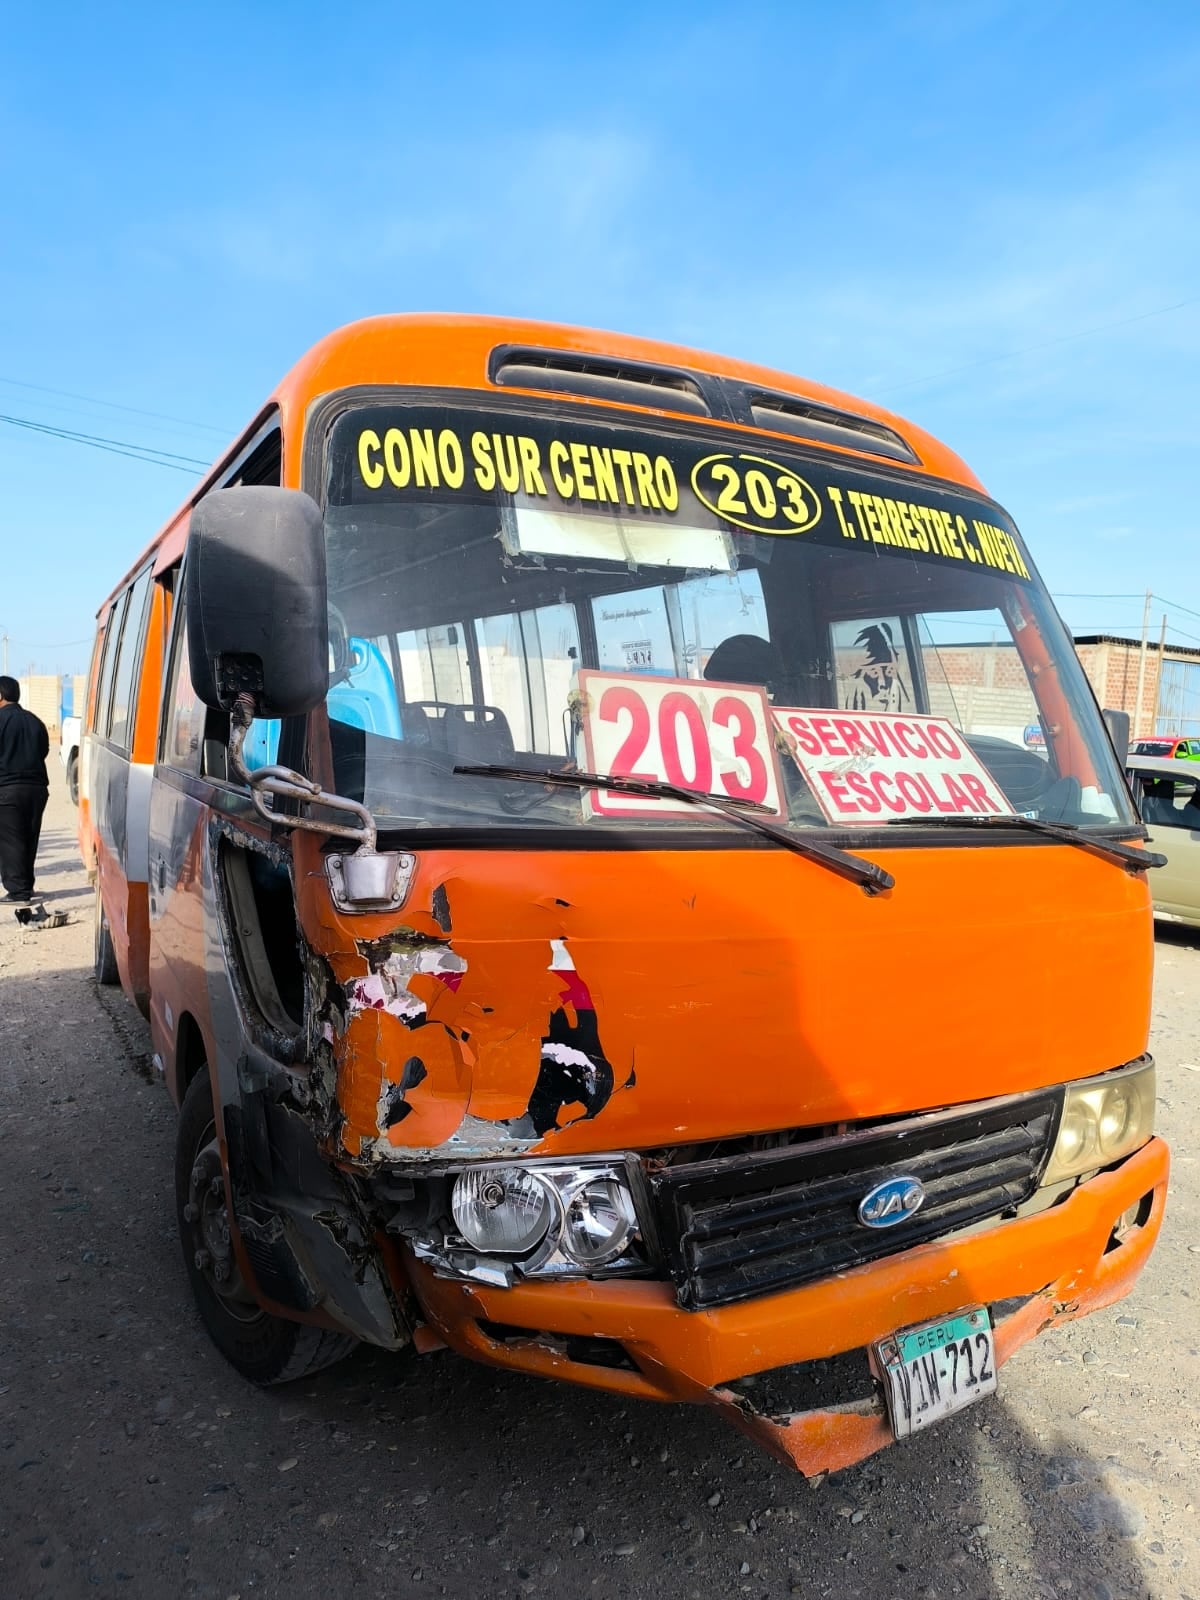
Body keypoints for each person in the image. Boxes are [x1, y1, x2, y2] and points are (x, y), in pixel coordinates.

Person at [0, 676, 50, 903]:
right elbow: (44, 750)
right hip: (37, 789)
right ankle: (26, 886)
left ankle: (18, 892)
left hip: (8, 789)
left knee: (11, 840)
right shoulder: (35, 721)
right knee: (30, 838)